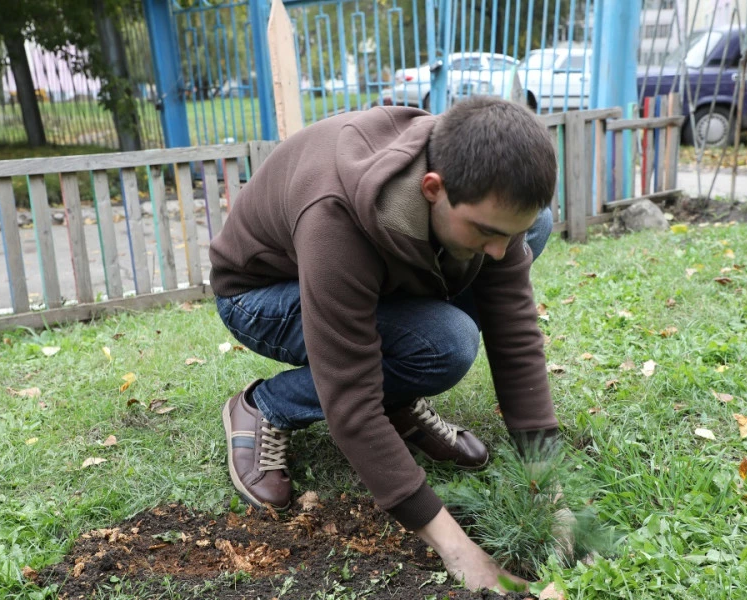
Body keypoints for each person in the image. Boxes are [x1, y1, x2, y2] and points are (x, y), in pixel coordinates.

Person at [209, 96, 559, 591]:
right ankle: (267, 405)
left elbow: (514, 329)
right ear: (432, 188)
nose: (499, 252)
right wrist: (458, 550)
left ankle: (396, 396)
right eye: (484, 231)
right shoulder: (336, 217)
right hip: (262, 293)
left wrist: (552, 485)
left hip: (373, 270)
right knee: (446, 345)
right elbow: (351, 400)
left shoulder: (468, 165)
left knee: (532, 226)